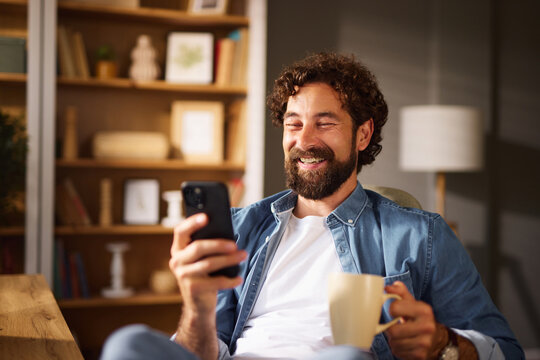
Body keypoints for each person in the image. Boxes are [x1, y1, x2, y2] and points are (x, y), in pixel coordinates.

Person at [101, 52, 523, 360]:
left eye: (325, 122)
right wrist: (196, 303)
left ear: (362, 135)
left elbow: (506, 351)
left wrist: (443, 344)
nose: (304, 141)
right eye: (294, 124)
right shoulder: (240, 226)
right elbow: (202, 353)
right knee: (128, 343)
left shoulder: (420, 235)